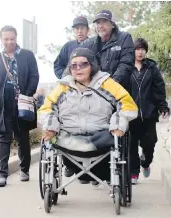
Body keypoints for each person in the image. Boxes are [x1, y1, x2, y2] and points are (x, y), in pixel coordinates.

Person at [38, 48, 138, 185]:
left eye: (83, 64)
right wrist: (50, 127)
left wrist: (118, 125)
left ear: (92, 65)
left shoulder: (106, 84)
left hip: (100, 137)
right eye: (73, 65)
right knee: (53, 139)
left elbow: (127, 105)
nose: (78, 69)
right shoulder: (63, 87)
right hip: (68, 138)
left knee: (115, 141)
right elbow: (47, 108)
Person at [0, 25, 39, 187]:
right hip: (2, 104)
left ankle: (24, 170)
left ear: (16, 38)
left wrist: (26, 95)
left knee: (23, 137)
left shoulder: (27, 56)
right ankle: (1, 174)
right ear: (1, 40)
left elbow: (34, 76)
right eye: (6, 39)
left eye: (12, 39)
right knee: (2, 137)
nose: (9, 42)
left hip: (22, 103)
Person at [129, 38, 169, 184]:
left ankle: (145, 163)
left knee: (150, 143)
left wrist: (162, 106)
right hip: (131, 115)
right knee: (131, 145)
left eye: (143, 49)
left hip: (149, 113)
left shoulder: (151, 67)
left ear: (146, 51)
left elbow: (159, 88)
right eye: (137, 49)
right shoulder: (127, 67)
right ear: (133, 51)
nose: (140, 52)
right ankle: (133, 173)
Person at [80, 9, 134, 91]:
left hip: (119, 92)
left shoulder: (124, 38)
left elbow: (126, 64)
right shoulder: (89, 43)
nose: (100, 26)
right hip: (96, 93)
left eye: (104, 21)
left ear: (112, 24)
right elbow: (74, 60)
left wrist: (111, 86)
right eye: (98, 23)